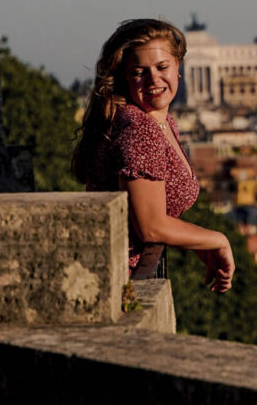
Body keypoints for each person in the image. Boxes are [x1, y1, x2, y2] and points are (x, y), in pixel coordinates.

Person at [72, 18, 234, 293]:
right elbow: (151, 227)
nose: (153, 80)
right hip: (119, 284)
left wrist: (193, 239)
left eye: (162, 67)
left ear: (178, 68)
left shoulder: (162, 123)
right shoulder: (140, 130)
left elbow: (155, 210)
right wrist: (218, 239)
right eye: (139, 72)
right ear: (124, 77)